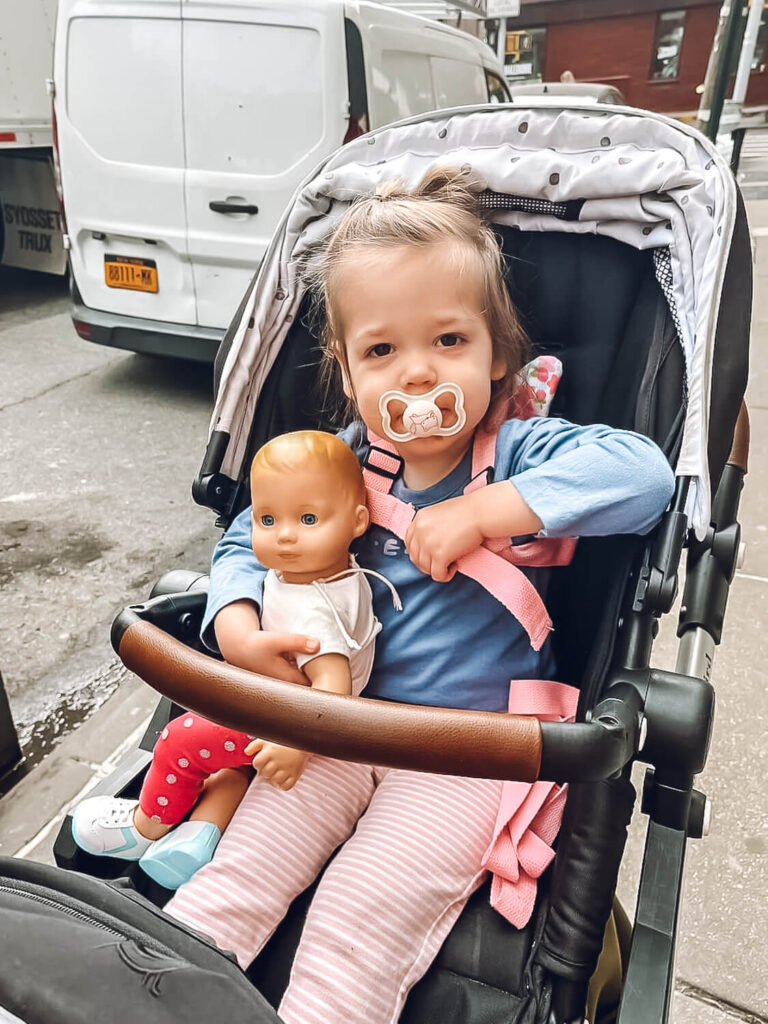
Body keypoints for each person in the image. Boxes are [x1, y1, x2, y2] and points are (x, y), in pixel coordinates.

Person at [160, 168, 673, 1024]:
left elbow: (643, 476)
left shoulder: (522, 450)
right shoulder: (340, 462)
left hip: (466, 750)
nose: (417, 374)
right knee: (234, 880)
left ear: (496, 355)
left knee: (357, 924)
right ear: (348, 369)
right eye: (382, 352)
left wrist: (488, 511)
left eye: (448, 341)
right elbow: (248, 536)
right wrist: (240, 624)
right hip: (339, 720)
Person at [71, 430, 397, 890]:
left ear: (358, 521)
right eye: (267, 519)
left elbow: (333, 685)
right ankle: (197, 838)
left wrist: (294, 744)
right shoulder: (325, 573)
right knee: (232, 763)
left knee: (181, 740)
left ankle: (145, 826)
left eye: (307, 519)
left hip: (287, 719)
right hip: (280, 705)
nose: (284, 535)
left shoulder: (317, 609)